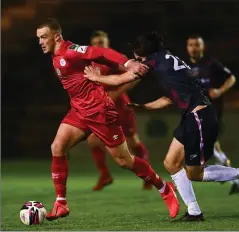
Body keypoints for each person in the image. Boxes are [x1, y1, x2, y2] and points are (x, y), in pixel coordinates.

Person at [84, 31, 239, 221]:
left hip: (200, 118)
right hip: (191, 117)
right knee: (171, 163)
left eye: (137, 53)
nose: (135, 57)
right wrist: (144, 106)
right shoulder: (167, 59)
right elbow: (169, 98)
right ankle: (194, 212)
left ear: (143, 52)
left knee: (195, 173)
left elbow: (123, 78)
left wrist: (97, 78)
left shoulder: (152, 62)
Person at [36, 19, 179, 221]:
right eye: (38, 38)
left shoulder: (71, 51)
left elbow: (101, 53)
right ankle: (61, 203)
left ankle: (164, 188)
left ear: (56, 37)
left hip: (99, 111)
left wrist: (128, 63)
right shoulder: (55, 55)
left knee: (124, 160)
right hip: (79, 111)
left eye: (43, 37)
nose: (40, 42)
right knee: (57, 147)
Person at [87, 30, 152, 191]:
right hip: (102, 107)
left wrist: (116, 93)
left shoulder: (114, 58)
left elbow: (137, 74)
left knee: (132, 143)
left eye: (101, 43)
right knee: (92, 141)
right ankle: (105, 175)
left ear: (107, 44)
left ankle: (148, 176)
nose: (98, 46)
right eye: (95, 43)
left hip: (120, 106)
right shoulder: (90, 61)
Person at [185, 35, 239, 194]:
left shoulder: (211, 64)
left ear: (202, 47)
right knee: (212, 146)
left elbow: (231, 78)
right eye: (191, 45)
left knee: (202, 144)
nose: (194, 48)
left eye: (197, 44)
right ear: (187, 47)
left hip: (211, 110)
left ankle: (234, 176)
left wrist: (219, 90)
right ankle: (234, 178)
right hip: (194, 111)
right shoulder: (186, 66)